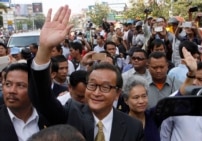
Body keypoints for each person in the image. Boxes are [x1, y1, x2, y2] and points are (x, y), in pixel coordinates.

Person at [29, 5, 144, 141]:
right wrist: (44, 49)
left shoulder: (133, 127)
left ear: (117, 93)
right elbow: (42, 98)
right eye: (92, 85)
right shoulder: (70, 114)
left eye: (105, 87)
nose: (96, 93)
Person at [160, 47, 202, 141]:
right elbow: (165, 130)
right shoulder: (175, 99)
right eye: (193, 77)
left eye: (200, 80)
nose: (195, 82)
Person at [0, 63, 49, 141]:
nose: (12, 91)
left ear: (34, 89)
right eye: (8, 84)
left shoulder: (48, 118)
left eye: (20, 85)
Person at [123, 76, 160, 141]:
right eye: (136, 97)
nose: (141, 101)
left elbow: (170, 102)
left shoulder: (153, 116)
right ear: (126, 100)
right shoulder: (122, 123)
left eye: (144, 96)